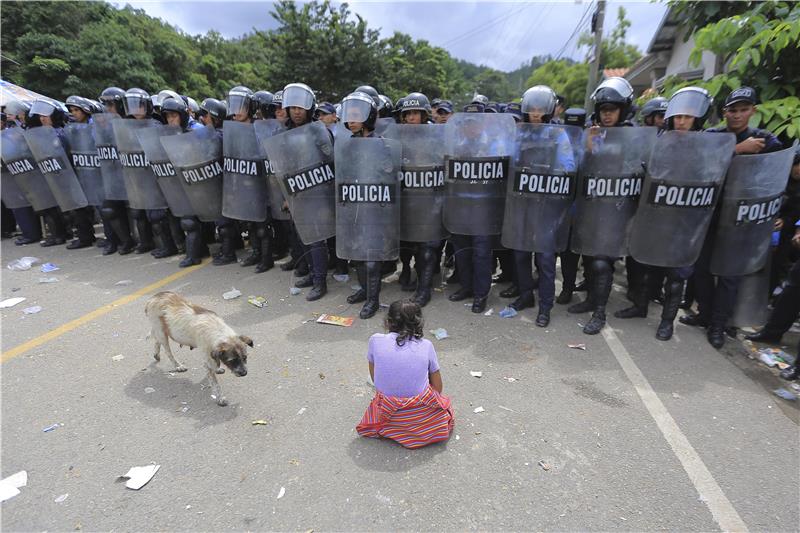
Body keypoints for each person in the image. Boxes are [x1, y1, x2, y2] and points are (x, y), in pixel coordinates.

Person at [680, 86, 783, 348]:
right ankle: (704, 314)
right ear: (724, 112)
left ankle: (718, 323)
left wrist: (775, 211)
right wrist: (737, 149)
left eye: (743, 110)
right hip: (710, 213)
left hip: (742, 218)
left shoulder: (766, 141)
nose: (737, 115)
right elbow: (699, 164)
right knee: (701, 269)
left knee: (730, 274)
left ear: (753, 111)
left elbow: (776, 180)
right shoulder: (713, 136)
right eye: (732, 110)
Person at [616, 87, 712, 341]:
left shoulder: (706, 147)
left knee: (676, 275)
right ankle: (640, 306)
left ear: (697, 119)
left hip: (685, 220)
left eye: (687, 117)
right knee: (649, 267)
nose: (681, 121)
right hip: (658, 217)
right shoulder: (660, 141)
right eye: (678, 116)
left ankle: (667, 322)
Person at [567, 77, 635, 335]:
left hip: (616, 209)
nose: (608, 116)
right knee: (589, 257)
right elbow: (580, 169)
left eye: (613, 110)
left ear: (623, 110)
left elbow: (636, 168)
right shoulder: (592, 132)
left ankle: (599, 313)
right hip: (592, 208)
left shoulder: (631, 134)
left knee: (602, 263)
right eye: (604, 111)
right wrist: (587, 148)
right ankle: (590, 300)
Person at [507, 85, 576, 327]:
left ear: (547, 110)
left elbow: (568, 166)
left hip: (546, 206)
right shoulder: (520, 134)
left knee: (545, 259)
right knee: (521, 252)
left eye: (540, 109)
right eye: (532, 109)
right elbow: (509, 161)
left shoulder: (557, 135)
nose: (535, 114)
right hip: (522, 204)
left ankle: (545, 305)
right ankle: (526, 295)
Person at [356, 300, 454, 449]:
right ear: (418, 323)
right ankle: (415, 429)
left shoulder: (375, 340)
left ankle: (393, 429)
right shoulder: (426, 345)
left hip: (387, 408)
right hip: (419, 413)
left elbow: (376, 379)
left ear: (388, 322)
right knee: (445, 407)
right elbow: (438, 388)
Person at [341, 90, 387, 318]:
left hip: (374, 209)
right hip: (354, 207)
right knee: (357, 256)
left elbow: (388, 175)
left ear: (369, 116)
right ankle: (365, 289)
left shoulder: (381, 143)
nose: (350, 120)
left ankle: (373, 300)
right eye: (348, 115)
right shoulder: (347, 144)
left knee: (371, 259)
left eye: (356, 115)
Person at [284, 82, 330, 301]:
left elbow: (330, 162)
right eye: (292, 107)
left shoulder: (319, 131)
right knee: (304, 236)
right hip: (297, 192)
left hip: (317, 192)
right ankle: (312, 275)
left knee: (316, 239)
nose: (296, 111)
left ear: (309, 107)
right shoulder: (286, 132)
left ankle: (321, 282)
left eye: (300, 107)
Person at [161, 96, 209, 268]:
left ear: (182, 114)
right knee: (187, 218)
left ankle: (193, 256)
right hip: (181, 180)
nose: (170, 119)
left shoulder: (197, 130)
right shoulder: (171, 132)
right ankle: (200, 250)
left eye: (173, 115)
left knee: (189, 221)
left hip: (198, 180)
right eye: (168, 116)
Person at [97, 86, 137, 255]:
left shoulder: (132, 124)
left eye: (111, 105)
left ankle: (141, 240)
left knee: (136, 211)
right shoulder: (103, 127)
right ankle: (121, 241)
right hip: (113, 175)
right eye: (105, 105)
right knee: (108, 209)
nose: (108, 110)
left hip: (133, 176)